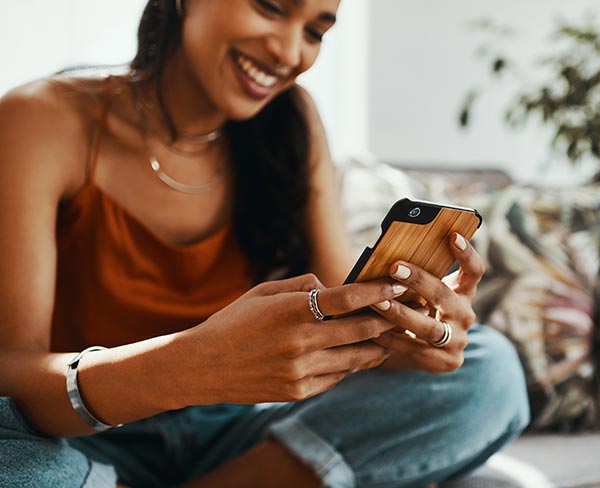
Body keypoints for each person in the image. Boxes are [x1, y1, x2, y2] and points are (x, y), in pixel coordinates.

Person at [0, 0, 530, 487]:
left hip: (239, 434)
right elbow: (12, 378)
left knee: (492, 370)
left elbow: (339, 337)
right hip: (84, 436)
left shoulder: (292, 121)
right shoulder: (43, 119)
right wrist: (192, 366)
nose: (289, 52)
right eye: (271, 7)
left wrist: (412, 338)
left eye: (315, 31)